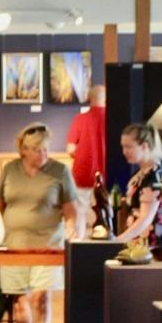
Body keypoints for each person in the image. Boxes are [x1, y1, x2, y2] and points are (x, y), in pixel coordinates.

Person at [0, 123, 77, 323]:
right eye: (35, 150)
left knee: (41, 299)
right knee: (21, 304)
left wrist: (74, 230)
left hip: (47, 246)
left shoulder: (59, 172)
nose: (41, 155)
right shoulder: (10, 170)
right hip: (14, 246)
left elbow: (71, 210)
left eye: (44, 149)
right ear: (23, 150)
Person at [116, 122, 162, 260]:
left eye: (129, 147)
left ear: (144, 146)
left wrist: (117, 241)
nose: (124, 152)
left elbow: (145, 218)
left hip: (149, 248)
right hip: (139, 245)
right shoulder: (144, 173)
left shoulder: (154, 176)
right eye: (123, 147)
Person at [63, 81, 107, 236]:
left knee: (80, 211)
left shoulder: (80, 119)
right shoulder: (112, 118)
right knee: (107, 211)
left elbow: (70, 149)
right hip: (107, 173)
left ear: (90, 98)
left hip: (83, 172)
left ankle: (79, 243)